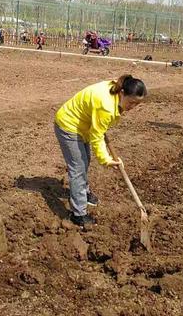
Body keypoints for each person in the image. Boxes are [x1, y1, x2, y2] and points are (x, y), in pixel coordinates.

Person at [54, 75, 147, 226]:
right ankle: (79, 215)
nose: (132, 107)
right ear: (122, 93)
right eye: (131, 102)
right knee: (78, 168)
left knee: (85, 161)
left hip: (83, 124)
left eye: (137, 104)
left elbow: (98, 130)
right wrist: (107, 160)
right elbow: (96, 137)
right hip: (68, 126)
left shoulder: (116, 88)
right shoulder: (106, 106)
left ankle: (83, 193)